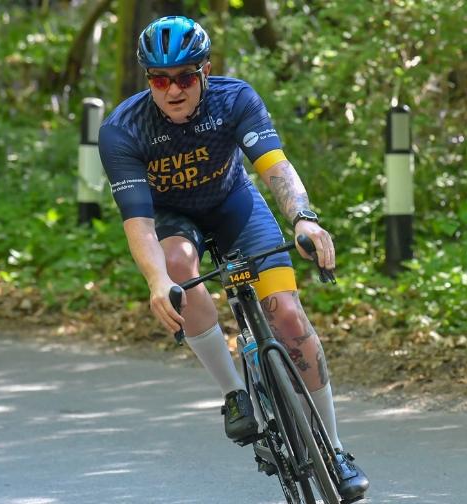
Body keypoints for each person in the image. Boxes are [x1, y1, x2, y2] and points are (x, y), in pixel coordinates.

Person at [98, 15, 369, 501]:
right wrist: (158, 282)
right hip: (172, 217)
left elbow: (275, 167)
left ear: (204, 71)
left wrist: (304, 218)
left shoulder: (235, 98)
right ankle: (233, 392)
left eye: (184, 77)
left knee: (287, 315)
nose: (173, 90)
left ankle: (336, 449)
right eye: (161, 80)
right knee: (179, 265)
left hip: (233, 205)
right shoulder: (124, 129)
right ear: (148, 82)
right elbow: (138, 221)